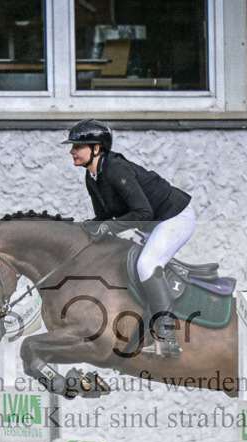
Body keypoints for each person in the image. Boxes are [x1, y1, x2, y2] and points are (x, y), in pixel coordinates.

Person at [62, 119, 194, 359]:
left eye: (78, 146)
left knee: (146, 265)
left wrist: (107, 226)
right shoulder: (92, 177)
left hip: (173, 218)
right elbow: (105, 217)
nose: (71, 151)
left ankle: (167, 336)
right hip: (152, 222)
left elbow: (144, 212)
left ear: (96, 149)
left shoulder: (116, 170)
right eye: (72, 146)